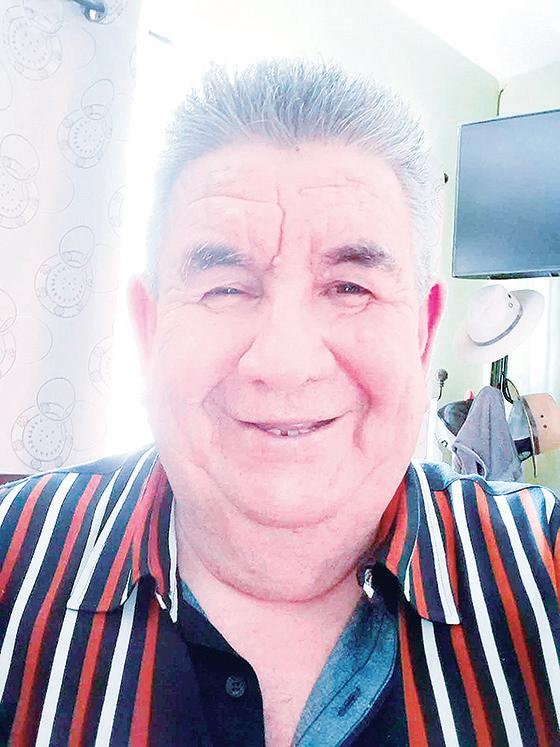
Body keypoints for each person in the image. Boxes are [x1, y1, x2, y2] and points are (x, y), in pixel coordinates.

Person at [1, 60, 559, 747]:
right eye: (224, 288)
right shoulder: (10, 557)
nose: (285, 363)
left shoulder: (545, 567)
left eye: (351, 287)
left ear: (421, 335)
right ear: (149, 330)